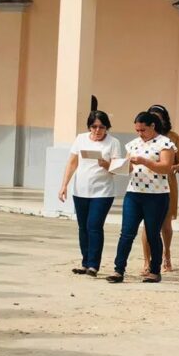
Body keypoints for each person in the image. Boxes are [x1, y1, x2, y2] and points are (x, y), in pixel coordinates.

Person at [106, 112, 176, 284]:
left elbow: (166, 168)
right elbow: (128, 168)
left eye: (143, 130)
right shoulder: (133, 144)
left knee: (152, 233)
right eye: (137, 130)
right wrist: (118, 166)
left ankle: (155, 270)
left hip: (156, 195)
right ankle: (118, 270)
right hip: (134, 193)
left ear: (152, 126)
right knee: (126, 233)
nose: (140, 133)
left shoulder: (165, 143)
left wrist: (145, 161)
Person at [58, 110, 122, 276]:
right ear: (89, 127)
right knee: (83, 227)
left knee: (94, 226)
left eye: (101, 127)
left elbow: (117, 169)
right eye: (94, 127)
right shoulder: (80, 139)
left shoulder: (113, 142)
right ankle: (85, 262)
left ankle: (93, 265)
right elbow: (72, 163)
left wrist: (106, 164)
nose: (97, 130)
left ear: (107, 127)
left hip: (102, 192)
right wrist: (64, 185)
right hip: (81, 190)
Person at [141, 104, 179, 273]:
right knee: (147, 225)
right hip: (146, 185)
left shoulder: (173, 137)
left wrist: (176, 167)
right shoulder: (143, 137)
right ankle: (147, 261)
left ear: (164, 119)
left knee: (166, 225)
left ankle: (166, 254)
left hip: (167, 186)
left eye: (158, 118)